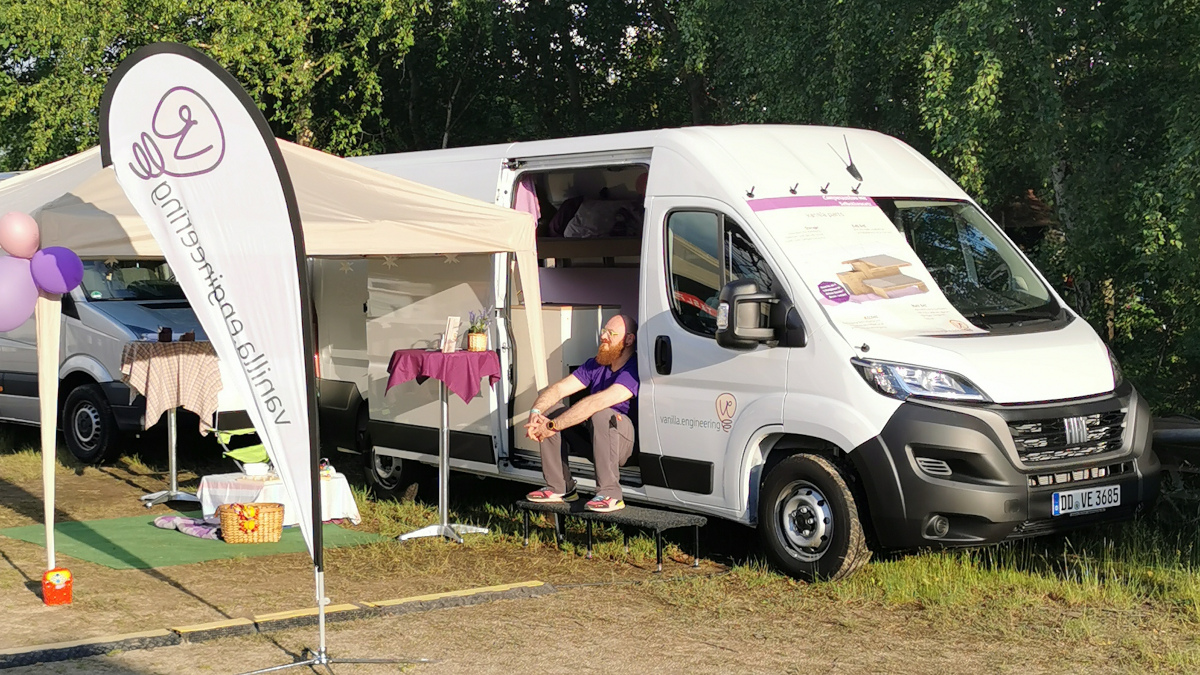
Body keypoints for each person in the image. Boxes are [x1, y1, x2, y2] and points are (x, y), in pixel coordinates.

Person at [524, 314, 638, 512]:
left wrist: (553, 426)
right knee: (550, 411)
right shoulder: (596, 364)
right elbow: (559, 389)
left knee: (602, 413)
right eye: (603, 331)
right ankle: (561, 487)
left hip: (623, 447)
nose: (603, 337)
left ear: (629, 340)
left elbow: (598, 402)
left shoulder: (634, 369)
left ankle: (610, 494)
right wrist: (536, 412)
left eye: (611, 333)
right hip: (596, 439)